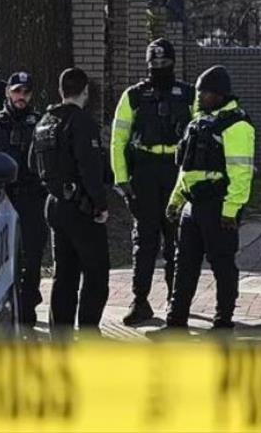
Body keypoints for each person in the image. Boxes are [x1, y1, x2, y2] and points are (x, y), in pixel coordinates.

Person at [159, 65, 255, 333]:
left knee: (222, 264)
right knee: (184, 264)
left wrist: (231, 211)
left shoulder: (237, 125)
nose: (199, 97)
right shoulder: (197, 123)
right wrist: (175, 202)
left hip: (218, 206)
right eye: (199, 92)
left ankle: (223, 321)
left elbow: (241, 173)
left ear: (220, 94)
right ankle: (176, 320)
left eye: (205, 93)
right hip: (192, 206)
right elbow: (186, 170)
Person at [110, 38, 195, 326]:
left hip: (175, 172)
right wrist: (122, 182)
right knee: (144, 240)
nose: (159, 67)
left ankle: (175, 300)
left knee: (176, 239)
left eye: (164, 62)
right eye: (154, 62)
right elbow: (118, 141)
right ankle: (140, 300)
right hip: (144, 172)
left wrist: (192, 179)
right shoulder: (133, 96)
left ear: (173, 62)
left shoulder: (188, 94)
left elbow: (199, 139)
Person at [30, 68, 110, 334]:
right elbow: (90, 167)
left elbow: (33, 162)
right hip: (81, 207)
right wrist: (100, 204)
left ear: (60, 91)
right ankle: (88, 331)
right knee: (96, 272)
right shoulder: (81, 123)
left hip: (54, 205)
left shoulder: (44, 121)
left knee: (64, 273)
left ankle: (60, 334)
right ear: (85, 91)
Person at [0, 71, 47, 328]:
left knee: (32, 257)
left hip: (32, 201)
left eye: (26, 92)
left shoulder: (42, 125)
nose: (21, 97)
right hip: (0, 202)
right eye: (17, 91)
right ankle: (1, 310)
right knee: (0, 259)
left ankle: (27, 310)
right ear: (7, 92)